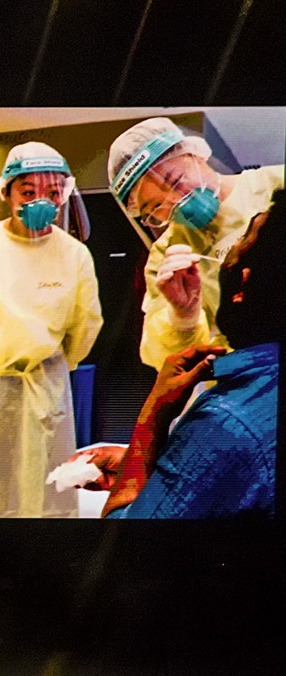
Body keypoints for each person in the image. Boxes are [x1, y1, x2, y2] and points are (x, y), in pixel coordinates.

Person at [79, 192, 279, 519]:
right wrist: (151, 459)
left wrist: (152, 417)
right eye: (151, 206)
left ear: (242, 283)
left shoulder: (226, 420)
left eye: (243, 239)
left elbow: (125, 539)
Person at [0, 144, 103, 517]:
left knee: (44, 491)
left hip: (44, 384)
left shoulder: (74, 255)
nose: (40, 201)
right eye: (28, 192)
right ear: (7, 192)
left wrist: (51, 363)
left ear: (64, 193)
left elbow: (85, 326)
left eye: (52, 192)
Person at [106, 116, 285, 371]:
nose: (175, 201)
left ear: (196, 155)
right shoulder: (167, 255)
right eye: (156, 206)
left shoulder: (276, 185)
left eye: (176, 181)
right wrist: (182, 318)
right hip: (246, 380)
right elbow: (164, 358)